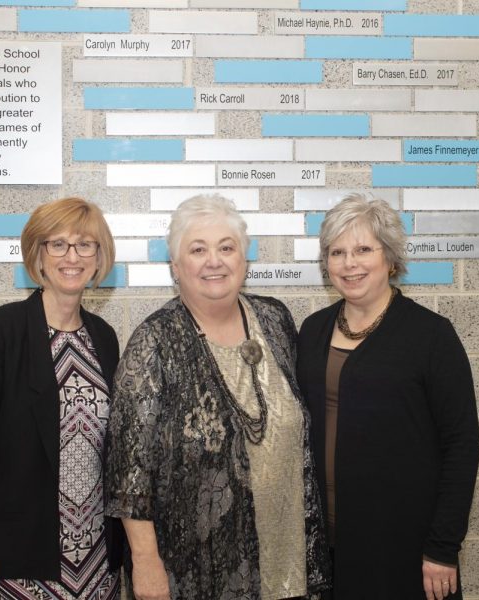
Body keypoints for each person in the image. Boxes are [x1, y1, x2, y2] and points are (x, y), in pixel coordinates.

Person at [106, 195, 331, 600]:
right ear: (176, 267)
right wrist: (145, 563)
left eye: (226, 247)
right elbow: (128, 471)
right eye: (198, 249)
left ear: (244, 260)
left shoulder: (276, 320)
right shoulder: (154, 341)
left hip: (290, 557)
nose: (215, 261)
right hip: (195, 570)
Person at [296, 193, 479, 600]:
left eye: (364, 249)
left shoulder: (431, 336)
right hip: (324, 547)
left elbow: (462, 445)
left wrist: (442, 548)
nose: (350, 263)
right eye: (338, 252)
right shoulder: (312, 332)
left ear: (390, 259)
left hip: (404, 547)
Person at [0, 197, 124, 600]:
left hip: (99, 567)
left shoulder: (105, 339)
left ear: (99, 258)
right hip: (23, 571)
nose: (71, 256)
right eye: (57, 244)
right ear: (38, 256)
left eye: (85, 244)